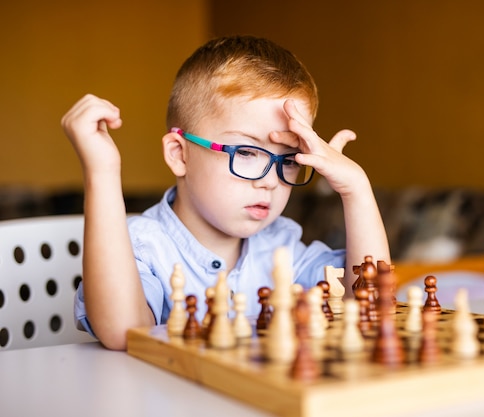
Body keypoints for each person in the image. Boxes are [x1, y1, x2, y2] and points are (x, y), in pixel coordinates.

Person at [62, 35, 390, 351]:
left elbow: (371, 304)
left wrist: (356, 190)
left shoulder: (284, 248)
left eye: (289, 159)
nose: (270, 182)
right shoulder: (142, 248)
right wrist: (102, 172)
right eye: (246, 152)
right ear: (179, 153)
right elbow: (123, 333)